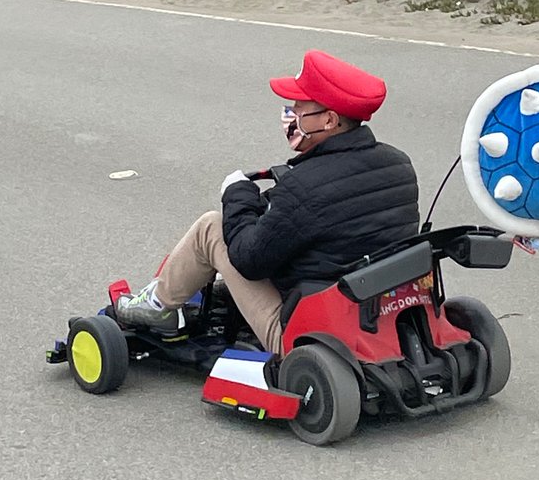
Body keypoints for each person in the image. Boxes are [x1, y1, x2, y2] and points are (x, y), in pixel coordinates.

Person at [115, 49, 420, 354]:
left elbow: (249, 260)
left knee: (212, 228)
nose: (292, 112)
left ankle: (158, 305)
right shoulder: (398, 164)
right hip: (374, 312)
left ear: (329, 120)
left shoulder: (304, 184)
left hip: (307, 335)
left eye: (301, 108)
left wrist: (237, 193)